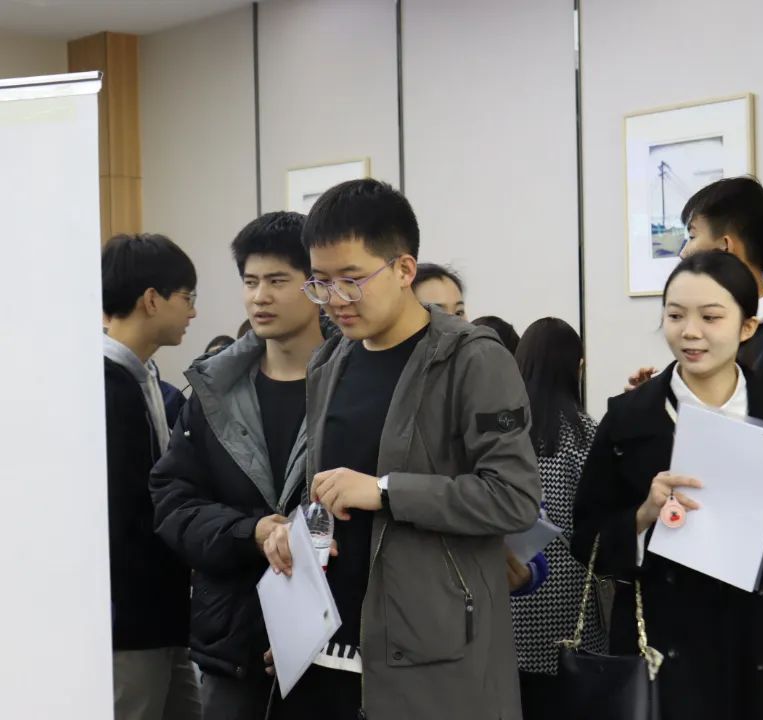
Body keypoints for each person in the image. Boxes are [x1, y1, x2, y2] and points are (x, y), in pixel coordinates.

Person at [260, 178, 542, 720]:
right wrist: (295, 531)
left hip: (430, 657)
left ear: (404, 269)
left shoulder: (473, 359)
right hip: (325, 646)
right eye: (320, 282)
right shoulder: (330, 362)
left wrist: (386, 491)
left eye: (351, 280)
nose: (334, 300)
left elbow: (513, 498)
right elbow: (331, 492)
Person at [573, 251, 763, 720]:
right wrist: (641, 517)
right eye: (675, 315)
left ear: (747, 326)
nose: (689, 331)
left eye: (710, 317)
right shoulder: (628, 420)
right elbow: (586, 540)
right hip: (662, 661)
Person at [626, 177, 763, 715]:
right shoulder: (709, 355)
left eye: (690, 234)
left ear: (725, 246)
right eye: (677, 317)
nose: (683, 250)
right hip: (684, 617)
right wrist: (658, 411)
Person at [149, 212, 327, 720]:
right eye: (250, 282)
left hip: (335, 648)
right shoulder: (214, 394)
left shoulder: (354, 385)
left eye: (277, 281)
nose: (259, 297)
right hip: (234, 647)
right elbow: (173, 503)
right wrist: (252, 531)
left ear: (316, 286)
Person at [102, 233, 201, 720]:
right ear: (151, 299)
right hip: (130, 619)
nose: (193, 312)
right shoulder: (103, 386)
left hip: (163, 613)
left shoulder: (144, 377)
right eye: (187, 297)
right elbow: (124, 514)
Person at [511, 318, 603, 720]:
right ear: (576, 367)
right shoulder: (586, 433)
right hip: (571, 600)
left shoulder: (501, 429)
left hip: (512, 586)